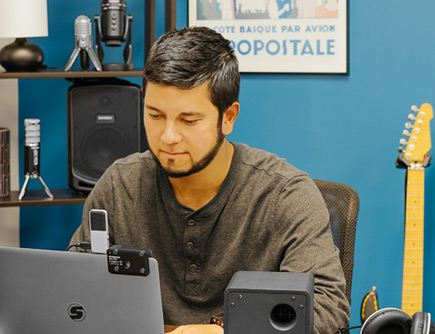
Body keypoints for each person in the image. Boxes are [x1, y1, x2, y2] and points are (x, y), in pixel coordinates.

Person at [69, 26, 350, 334]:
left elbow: (327, 306)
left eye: (188, 120)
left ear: (228, 117)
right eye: (155, 115)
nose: (168, 137)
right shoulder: (119, 186)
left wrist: (223, 331)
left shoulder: (286, 194)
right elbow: (75, 293)